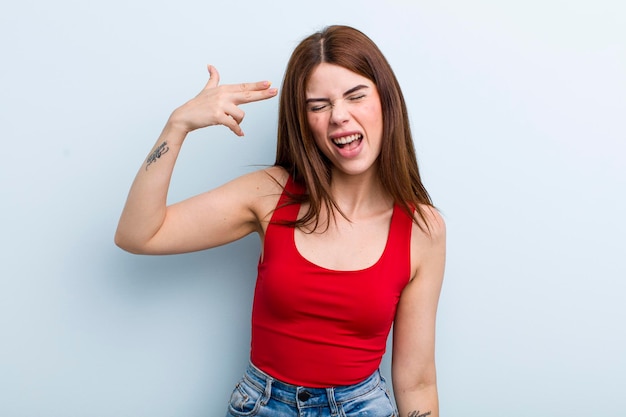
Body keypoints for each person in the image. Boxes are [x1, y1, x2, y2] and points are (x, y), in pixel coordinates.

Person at [115, 25, 446, 417]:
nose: (339, 116)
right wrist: (178, 125)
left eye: (356, 96)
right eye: (318, 105)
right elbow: (138, 234)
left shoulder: (422, 229)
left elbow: (417, 381)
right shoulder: (271, 194)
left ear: (386, 103)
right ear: (304, 121)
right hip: (263, 406)